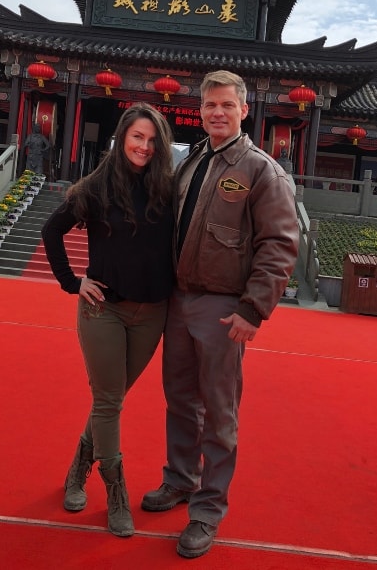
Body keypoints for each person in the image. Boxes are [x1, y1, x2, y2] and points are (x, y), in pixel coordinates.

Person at [141, 70, 300, 559]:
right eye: (210, 104)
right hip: (180, 301)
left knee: (219, 410)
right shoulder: (190, 162)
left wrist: (254, 308)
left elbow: (279, 243)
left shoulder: (259, 170)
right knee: (180, 399)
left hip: (224, 305)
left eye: (226, 105)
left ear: (244, 109)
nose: (216, 112)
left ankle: (208, 510)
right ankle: (180, 479)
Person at [41, 103, 174, 538]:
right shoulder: (97, 186)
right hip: (104, 309)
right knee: (109, 402)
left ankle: (78, 464)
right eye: (138, 137)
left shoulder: (168, 189)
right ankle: (115, 490)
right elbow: (51, 230)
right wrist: (71, 282)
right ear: (122, 138)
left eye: (153, 140)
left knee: (109, 399)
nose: (145, 146)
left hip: (152, 313)